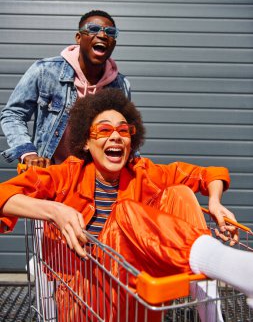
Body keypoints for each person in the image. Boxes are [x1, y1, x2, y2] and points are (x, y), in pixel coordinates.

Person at [0, 88, 252, 322]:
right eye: (103, 131)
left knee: (180, 193)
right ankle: (226, 265)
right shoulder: (66, 175)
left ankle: (210, 303)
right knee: (126, 210)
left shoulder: (141, 172)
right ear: (86, 142)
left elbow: (207, 175)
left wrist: (216, 202)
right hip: (86, 299)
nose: (115, 137)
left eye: (123, 131)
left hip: (139, 295)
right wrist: (55, 210)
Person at [0, 10, 130, 169]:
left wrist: (134, 162)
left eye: (110, 32)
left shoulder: (120, 85)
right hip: (49, 171)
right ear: (78, 38)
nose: (102, 35)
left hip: (94, 176)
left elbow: (125, 132)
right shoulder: (45, 71)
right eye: (93, 29)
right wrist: (28, 153)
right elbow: (13, 114)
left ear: (113, 43)